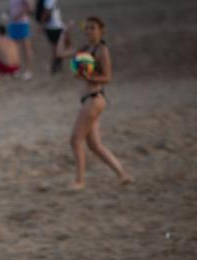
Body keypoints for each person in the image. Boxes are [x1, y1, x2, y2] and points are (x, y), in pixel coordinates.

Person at [57, 16, 131, 189]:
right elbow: (60, 53)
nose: (89, 31)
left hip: (95, 98)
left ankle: (79, 181)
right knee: (95, 145)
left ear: (101, 30)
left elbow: (107, 77)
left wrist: (87, 77)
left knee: (75, 140)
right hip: (88, 100)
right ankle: (122, 174)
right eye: (87, 28)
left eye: (93, 28)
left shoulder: (101, 50)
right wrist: (64, 32)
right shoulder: (84, 49)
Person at [6, 0, 34, 79]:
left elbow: (30, 7)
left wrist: (18, 15)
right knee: (14, 49)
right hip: (13, 23)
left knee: (26, 49)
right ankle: (17, 70)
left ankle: (28, 71)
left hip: (22, 23)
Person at [37, 0, 65, 74]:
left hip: (53, 26)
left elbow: (46, 12)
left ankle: (56, 64)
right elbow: (47, 12)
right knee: (56, 47)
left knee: (56, 47)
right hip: (53, 26)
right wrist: (42, 24)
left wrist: (41, 24)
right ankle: (55, 65)